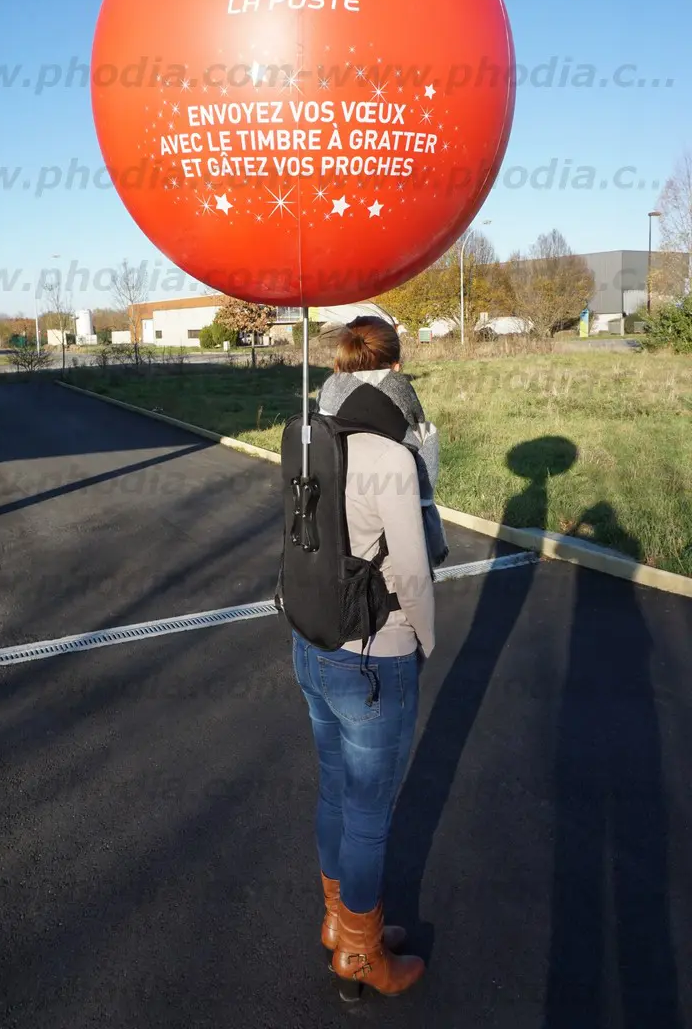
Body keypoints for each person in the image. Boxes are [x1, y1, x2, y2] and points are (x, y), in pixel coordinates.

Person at [291, 317, 435, 1001]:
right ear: (397, 367)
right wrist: (426, 641)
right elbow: (411, 569)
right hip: (376, 655)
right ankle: (358, 953)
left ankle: (339, 922)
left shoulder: (309, 437)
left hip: (311, 641)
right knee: (369, 815)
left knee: (333, 791)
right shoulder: (392, 456)